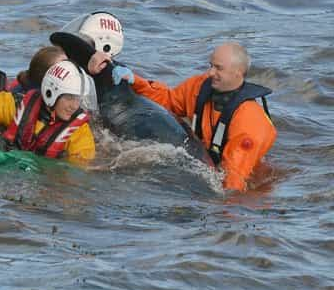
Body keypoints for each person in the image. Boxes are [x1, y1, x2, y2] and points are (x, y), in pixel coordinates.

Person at [116, 42, 277, 192]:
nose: (210, 73)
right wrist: (134, 81)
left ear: (238, 73)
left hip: (249, 182)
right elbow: (170, 100)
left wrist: (219, 214)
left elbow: (234, 181)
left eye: (218, 68)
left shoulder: (250, 122)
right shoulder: (200, 87)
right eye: (211, 66)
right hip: (208, 162)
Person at [0, 60, 96, 164]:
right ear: (51, 93)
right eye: (69, 98)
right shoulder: (16, 104)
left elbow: (79, 170)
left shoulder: (79, 132)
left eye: (78, 99)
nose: (74, 106)